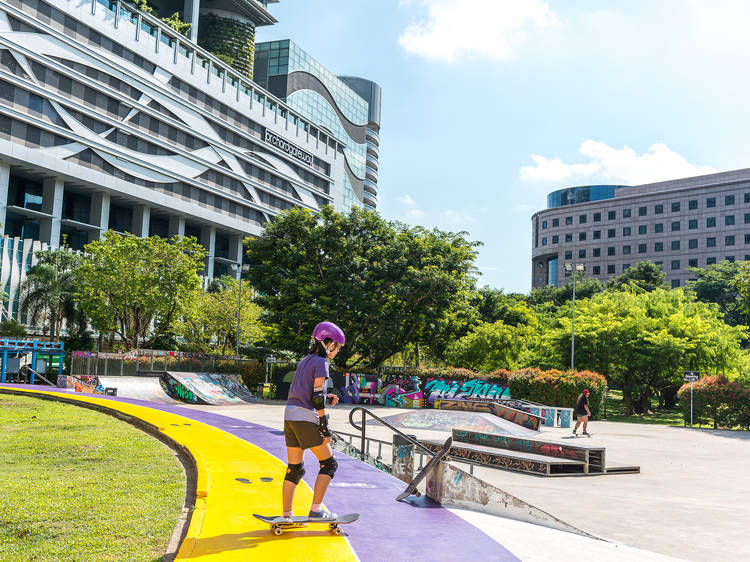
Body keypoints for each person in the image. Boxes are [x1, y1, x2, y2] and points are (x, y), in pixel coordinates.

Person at [282, 321, 344, 521]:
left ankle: (286, 515)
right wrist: (325, 426)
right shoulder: (322, 363)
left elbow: (307, 393)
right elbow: (316, 398)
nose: (338, 350)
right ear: (328, 342)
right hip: (305, 418)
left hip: (289, 416)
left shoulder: (305, 360)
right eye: (338, 346)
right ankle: (316, 511)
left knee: (295, 469)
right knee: (329, 464)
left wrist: (327, 398)